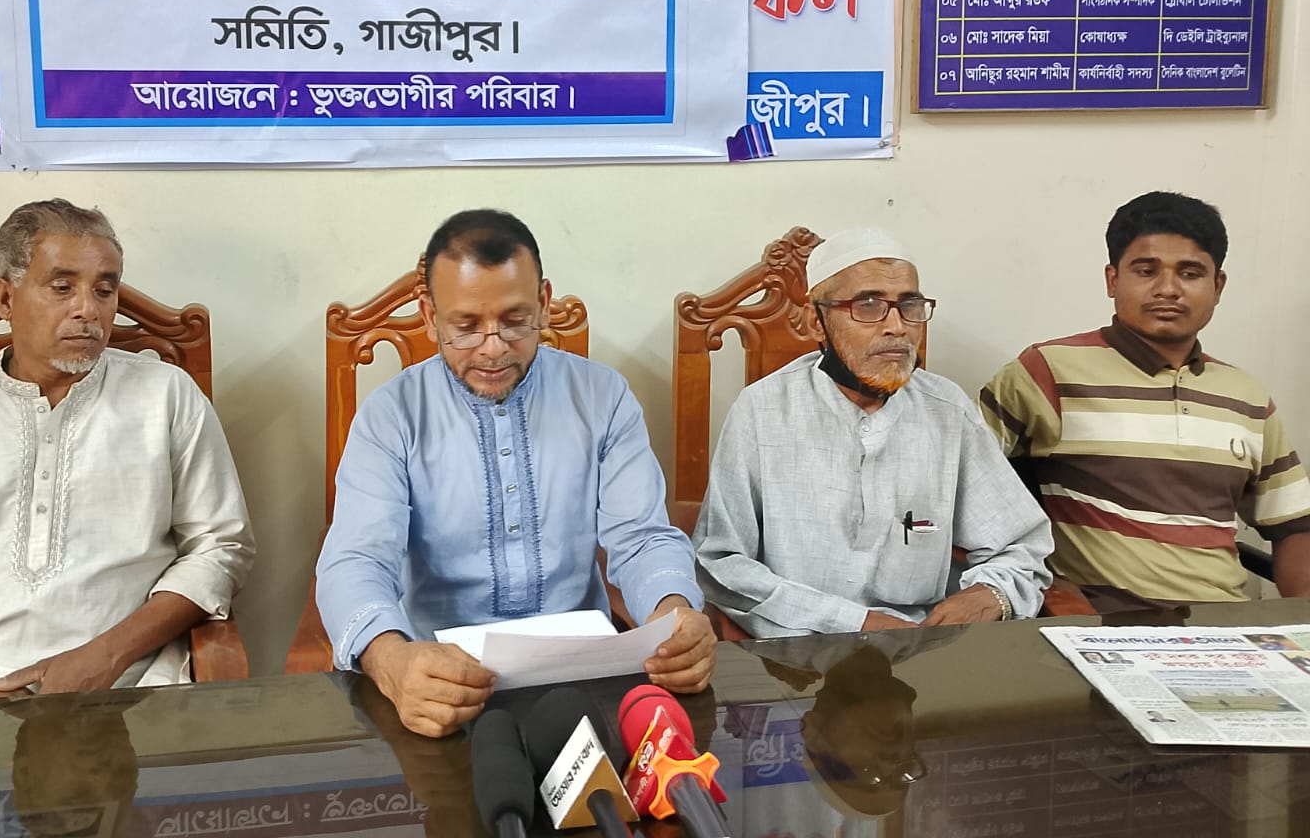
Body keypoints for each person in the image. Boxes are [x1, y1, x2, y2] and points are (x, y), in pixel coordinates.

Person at [316, 209, 713, 737]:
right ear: (430, 317)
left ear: (544, 303)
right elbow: (356, 560)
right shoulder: (392, 416)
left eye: (514, 319)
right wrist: (390, 659)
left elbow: (641, 539)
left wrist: (673, 613)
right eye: (466, 327)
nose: (493, 346)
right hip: (440, 688)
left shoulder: (603, 398)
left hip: (583, 676)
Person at [0, 199, 254, 700]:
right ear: (5, 298)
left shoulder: (165, 395)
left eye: (104, 290)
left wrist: (106, 657)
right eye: (62, 287)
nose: (88, 309)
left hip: (130, 686)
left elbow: (221, 547)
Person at [693, 228, 1052, 637]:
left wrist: (991, 593)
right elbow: (720, 562)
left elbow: (1022, 546)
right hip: (800, 649)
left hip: (920, 648)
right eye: (868, 305)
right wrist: (853, 622)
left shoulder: (947, 410)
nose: (897, 327)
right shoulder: (763, 410)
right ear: (816, 322)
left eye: (909, 306)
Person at [981, 191, 1310, 611]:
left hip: (1225, 626)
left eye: (1190, 273)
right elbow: (948, 486)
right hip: (1102, 624)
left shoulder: (1246, 397)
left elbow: (1293, 525)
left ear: (1217, 287)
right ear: (1112, 279)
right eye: (1146, 270)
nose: (1168, 289)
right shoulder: (1046, 372)